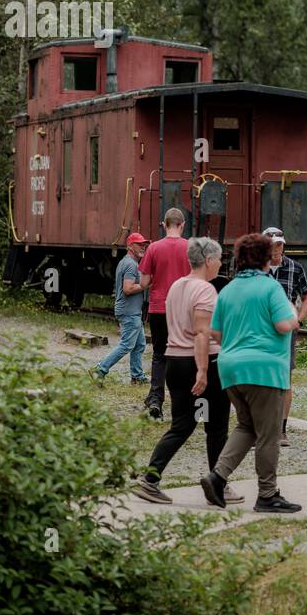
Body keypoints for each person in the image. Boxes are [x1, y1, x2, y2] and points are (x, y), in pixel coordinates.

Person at [134, 237, 243, 505]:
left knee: (182, 425)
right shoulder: (205, 291)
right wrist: (203, 371)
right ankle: (219, 483)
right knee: (216, 426)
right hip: (202, 363)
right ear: (207, 261)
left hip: (174, 361)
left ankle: (149, 479)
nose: (220, 264)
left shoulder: (176, 287)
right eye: (218, 259)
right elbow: (202, 332)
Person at [200, 233, 301, 513]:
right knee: (268, 434)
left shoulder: (229, 289)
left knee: (246, 426)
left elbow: (216, 332)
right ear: (266, 258)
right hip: (264, 370)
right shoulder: (270, 288)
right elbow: (284, 325)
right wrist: (294, 315)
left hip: (231, 369)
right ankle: (267, 494)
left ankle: (216, 477)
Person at [138, 207, 190, 419]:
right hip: (183, 309)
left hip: (159, 307)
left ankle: (156, 400)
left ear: (164, 224)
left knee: (159, 355)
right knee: (183, 355)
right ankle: (183, 402)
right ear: (182, 224)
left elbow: (143, 282)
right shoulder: (190, 247)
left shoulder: (153, 248)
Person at [263, 227, 307, 447]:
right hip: (261, 330)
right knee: (261, 378)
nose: (277, 249)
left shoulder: (295, 268)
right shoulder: (256, 269)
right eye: (273, 245)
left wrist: (299, 320)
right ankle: (263, 427)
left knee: (284, 378)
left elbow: (306, 296)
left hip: (285, 330)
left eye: (280, 244)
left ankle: (281, 429)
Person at [94, 233, 148, 383]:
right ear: (130, 246)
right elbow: (128, 289)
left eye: (144, 244)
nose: (143, 246)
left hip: (132, 311)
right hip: (129, 311)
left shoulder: (128, 262)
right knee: (126, 345)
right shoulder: (131, 264)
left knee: (139, 344)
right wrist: (145, 285)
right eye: (139, 244)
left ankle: (137, 376)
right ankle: (99, 369)